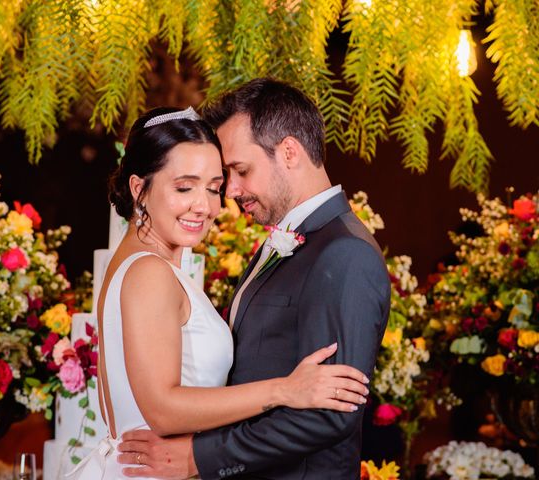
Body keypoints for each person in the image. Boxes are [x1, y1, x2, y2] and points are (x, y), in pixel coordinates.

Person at [65, 106, 371, 480]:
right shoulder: (149, 272)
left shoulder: (136, 263)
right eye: (184, 187)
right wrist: (285, 390)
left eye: (213, 188)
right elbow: (162, 407)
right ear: (139, 188)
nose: (205, 206)